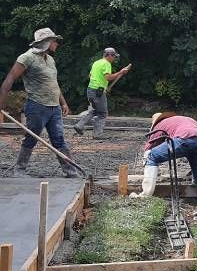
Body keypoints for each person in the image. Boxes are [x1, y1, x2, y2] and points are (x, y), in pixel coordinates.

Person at [0, 27, 79, 178]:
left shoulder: (50, 60)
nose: (56, 44)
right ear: (46, 42)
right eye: (54, 41)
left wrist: (63, 103)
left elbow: (54, 83)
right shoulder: (27, 58)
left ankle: (70, 171)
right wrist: (1, 103)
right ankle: (19, 170)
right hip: (37, 106)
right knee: (32, 137)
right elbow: (10, 79)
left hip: (54, 107)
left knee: (59, 139)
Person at [131, 112, 197, 197]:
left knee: (151, 156)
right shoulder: (185, 119)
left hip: (185, 138)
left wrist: (151, 164)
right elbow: (195, 139)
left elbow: (149, 148)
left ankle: (146, 195)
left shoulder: (160, 124)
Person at [74, 47, 131, 138]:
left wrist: (103, 85)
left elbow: (90, 75)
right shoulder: (106, 64)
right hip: (98, 92)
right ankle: (97, 134)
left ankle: (79, 125)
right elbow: (108, 77)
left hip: (90, 89)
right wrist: (120, 72)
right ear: (109, 55)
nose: (114, 58)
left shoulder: (96, 62)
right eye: (114, 56)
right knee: (102, 113)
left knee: (95, 110)